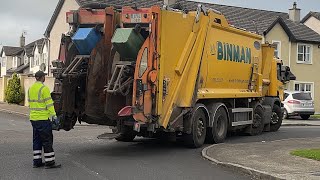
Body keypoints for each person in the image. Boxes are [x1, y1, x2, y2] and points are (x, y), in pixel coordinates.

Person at [28, 71, 61, 169]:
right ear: (42, 77)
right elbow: (49, 104)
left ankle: (37, 161)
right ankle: (50, 162)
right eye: (44, 77)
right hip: (42, 119)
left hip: (33, 119)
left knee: (37, 140)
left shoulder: (30, 89)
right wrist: (54, 116)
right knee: (47, 140)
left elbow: (30, 103)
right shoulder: (44, 88)